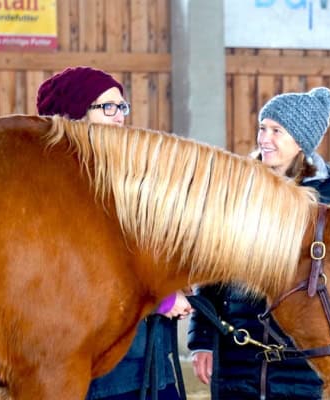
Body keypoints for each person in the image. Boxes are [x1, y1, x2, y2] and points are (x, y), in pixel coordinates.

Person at [187, 87, 330, 400]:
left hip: (301, 366)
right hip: (239, 356)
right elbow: (211, 273)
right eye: (262, 128)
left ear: (300, 141)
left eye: (276, 131)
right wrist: (202, 341)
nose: (264, 139)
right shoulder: (236, 193)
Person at [36, 66, 193, 400]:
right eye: (107, 107)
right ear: (76, 115)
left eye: (122, 106)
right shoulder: (63, 185)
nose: (119, 116)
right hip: (102, 364)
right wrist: (161, 297)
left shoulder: (120, 176)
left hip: (146, 356)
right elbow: (89, 266)